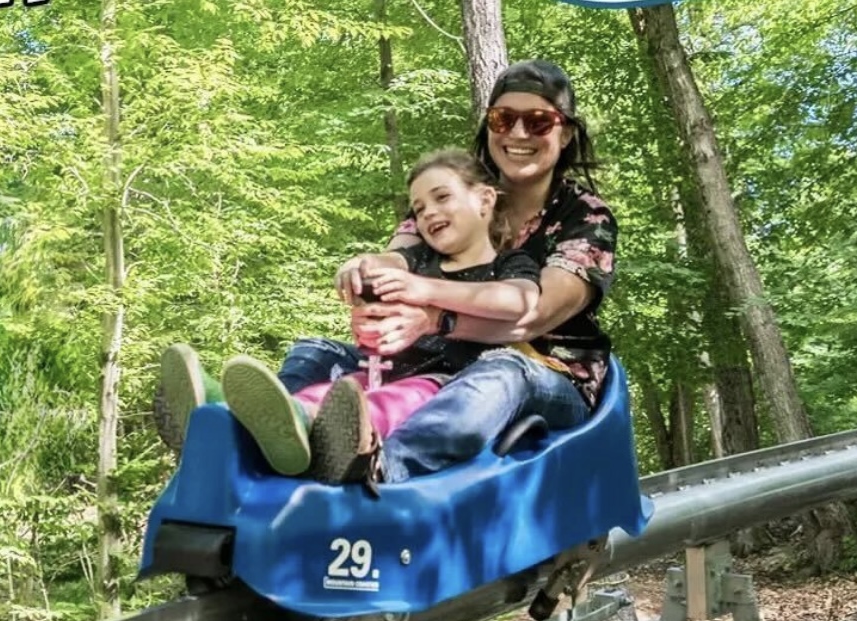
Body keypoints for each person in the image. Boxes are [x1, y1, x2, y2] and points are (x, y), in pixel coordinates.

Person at [155, 59, 618, 488]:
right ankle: (245, 435)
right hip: (432, 358)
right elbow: (398, 259)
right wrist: (366, 275)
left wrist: (434, 314)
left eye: (538, 121)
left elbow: (530, 315)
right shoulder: (451, 198)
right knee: (317, 352)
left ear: (566, 134)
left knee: (500, 372)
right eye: (503, 119)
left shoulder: (584, 217)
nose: (518, 131)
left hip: (542, 368)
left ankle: (382, 465)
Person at [157, 149, 542, 480]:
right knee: (329, 392)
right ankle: (224, 418)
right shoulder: (418, 258)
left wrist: (427, 292)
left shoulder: (510, 264)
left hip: (441, 383)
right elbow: (385, 261)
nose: (429, 213)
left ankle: (322, 437)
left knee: (389, 402)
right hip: (381, 370)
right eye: (420, 208)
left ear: (485, 200)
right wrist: (359, 270)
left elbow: (520, 300)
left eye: (442, 198)